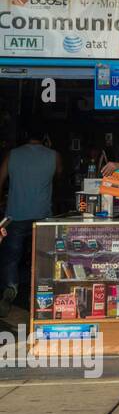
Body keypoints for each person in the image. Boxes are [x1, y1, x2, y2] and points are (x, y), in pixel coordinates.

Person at [0, 123, 61, 314]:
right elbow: (59, 175)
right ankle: (39, 294)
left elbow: (0, 180)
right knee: (42, 257)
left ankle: (11, 287)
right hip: (42, 216)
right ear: (44, 137)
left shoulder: (13, 154)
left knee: (12, 257)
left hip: (15, 215)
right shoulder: (53, 155)